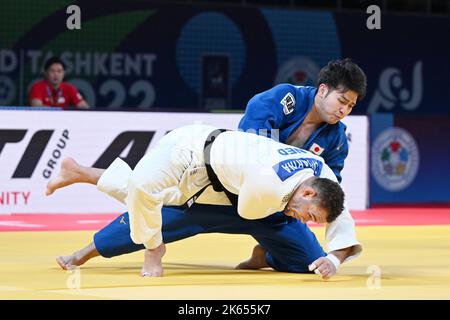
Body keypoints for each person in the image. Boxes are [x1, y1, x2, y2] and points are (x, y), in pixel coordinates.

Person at [50, 58, 366, 280]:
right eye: (342, 100)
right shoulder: (283, 99)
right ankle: (88, 248)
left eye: (351, 106)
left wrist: (331, 250)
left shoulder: (336, 140)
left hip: (277, 208)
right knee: (153, 207)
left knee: (312, 262)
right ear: (323, 89)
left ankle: (266, 254)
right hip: (224, 187)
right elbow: (255, 152)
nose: (344, 110)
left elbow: (328, 194)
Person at [47, 124, 346, 278]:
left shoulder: (321, 176)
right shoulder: (267, 185)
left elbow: (341, 216)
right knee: (147, 191)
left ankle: (265, 255)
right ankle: (148, 248)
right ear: (307, 193)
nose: (306, 221)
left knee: (311, 261)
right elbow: (246, 211)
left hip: (238, 185)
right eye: (309, 216)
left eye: (313, 221)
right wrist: (153, 244)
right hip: (193, 153)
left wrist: (333, 259)